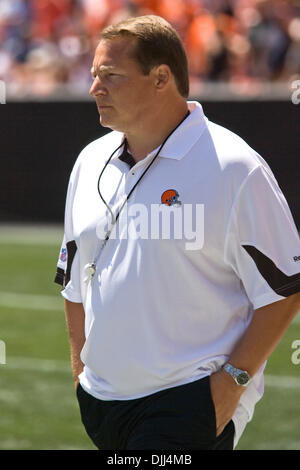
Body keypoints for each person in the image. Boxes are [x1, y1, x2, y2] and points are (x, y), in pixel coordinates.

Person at [54, 15, 300, 450]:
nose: (95, 88)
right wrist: (80, 374)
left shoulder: (234, 167)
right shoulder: (89, 161)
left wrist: (231, 386)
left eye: (110, 76)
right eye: (95, 75)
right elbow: (73, 282)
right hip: (102, 401)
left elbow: (285, 287)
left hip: (187, 402)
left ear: (161, 78)